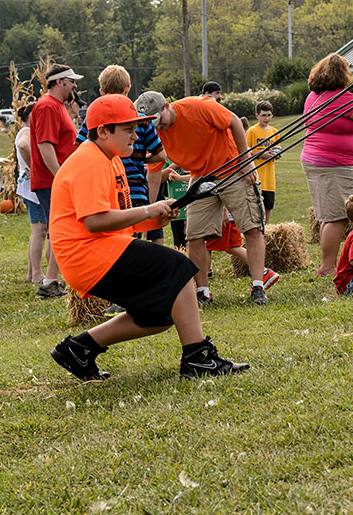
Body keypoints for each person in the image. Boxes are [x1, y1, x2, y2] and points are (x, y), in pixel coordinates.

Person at [48, 94, 248, 380]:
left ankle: (79, 348)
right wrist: (147, 210)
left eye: (137, 127)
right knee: (179, 266)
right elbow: (93, 221)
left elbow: (117, 217)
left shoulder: (111, 159)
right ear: (103, 132)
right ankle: (198, 358)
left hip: (102, 249)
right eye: (129, 129)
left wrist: (156, 216)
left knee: (159, 316)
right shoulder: (89, 161)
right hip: (89, 255)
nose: (138, 134)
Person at [135, 90, 273, 306]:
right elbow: (153, 174)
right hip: (200, 177)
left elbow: (235, 121)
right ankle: (203, 292)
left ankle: (258, 285)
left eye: (158, 120)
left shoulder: (199, 106)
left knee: (251, 227)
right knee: (194, 235)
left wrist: (245, 159)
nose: (158, 127)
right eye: (152, 124)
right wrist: (153, 209)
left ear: (167, 106)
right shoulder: (155, 132)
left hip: (231, 168)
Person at [77, 65, 166, 315]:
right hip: (136, 187)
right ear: (128, 89)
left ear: (101, 90)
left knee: (120, 242)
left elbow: (80, 148)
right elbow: (161, 154)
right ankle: (134, 292)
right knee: (133, 241)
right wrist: (140, 160)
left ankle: (127, 295)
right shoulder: (142, 121)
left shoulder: (95, 120)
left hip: (108, 187)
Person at [300, 53, 353, 276]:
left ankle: (329, 264)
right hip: (335, 164)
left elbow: (343, 118)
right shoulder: (340, 98)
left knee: (330, 215)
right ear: (343, 75)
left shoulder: (314, 96)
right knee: (338, 216)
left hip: (318, 161)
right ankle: (328, 267)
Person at [29, 64, 83, 298]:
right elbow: (45, 145)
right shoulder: (48, 106)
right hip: (52, 181)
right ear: (60, 82)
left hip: (56, 180)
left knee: (61, 230)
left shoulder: (57, 106)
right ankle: (50, 282)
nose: (74, 85)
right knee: (63, 229)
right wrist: (61, 175)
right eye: (72, 81)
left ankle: (52, 280)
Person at [15, 102, 56, 284]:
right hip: (33, 188)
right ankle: (38, 273)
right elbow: (24, 146)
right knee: (40, 231)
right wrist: (35, 166)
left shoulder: (27, 131)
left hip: (29, 187)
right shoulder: (26, 132)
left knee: (38, 231)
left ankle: (32, 273)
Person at [245, 100, 281, 223]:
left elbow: (277, 149)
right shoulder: (252, 131)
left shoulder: (274, 132)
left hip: (269, 178)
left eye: (269, 115)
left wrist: (276, 154)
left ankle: (266, 230)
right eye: (263, 115)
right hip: (256, 176)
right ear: (257, 116)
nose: (266, 118)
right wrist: (261, 154)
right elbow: (244, 153)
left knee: (268, 206)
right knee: (256, 208)